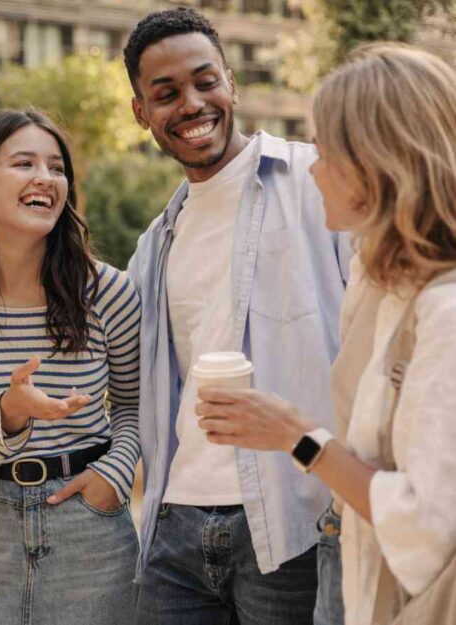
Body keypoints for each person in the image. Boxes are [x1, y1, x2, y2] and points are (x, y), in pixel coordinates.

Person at [196, 44, 456, 625]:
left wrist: (295, 435)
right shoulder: (381, 276)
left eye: (326, 152)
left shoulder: (445, 313)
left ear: (376, 166)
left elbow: (426, 527)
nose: (312, 169)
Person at [123, 7, 351, 624]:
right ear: (142, 112)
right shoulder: (155, 244)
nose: (192, 104)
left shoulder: (318, 183)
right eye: (166, 94)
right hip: (175, 528)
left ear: (231, 81)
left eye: (205, 81)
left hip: (295, 523)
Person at [0, 109, 141, 625]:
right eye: (24, 163)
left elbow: (135, 406)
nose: (45, 178)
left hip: (92, 530)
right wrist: (11, 414)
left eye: (56, 167)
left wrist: (113, 475)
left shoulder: (109, 292)